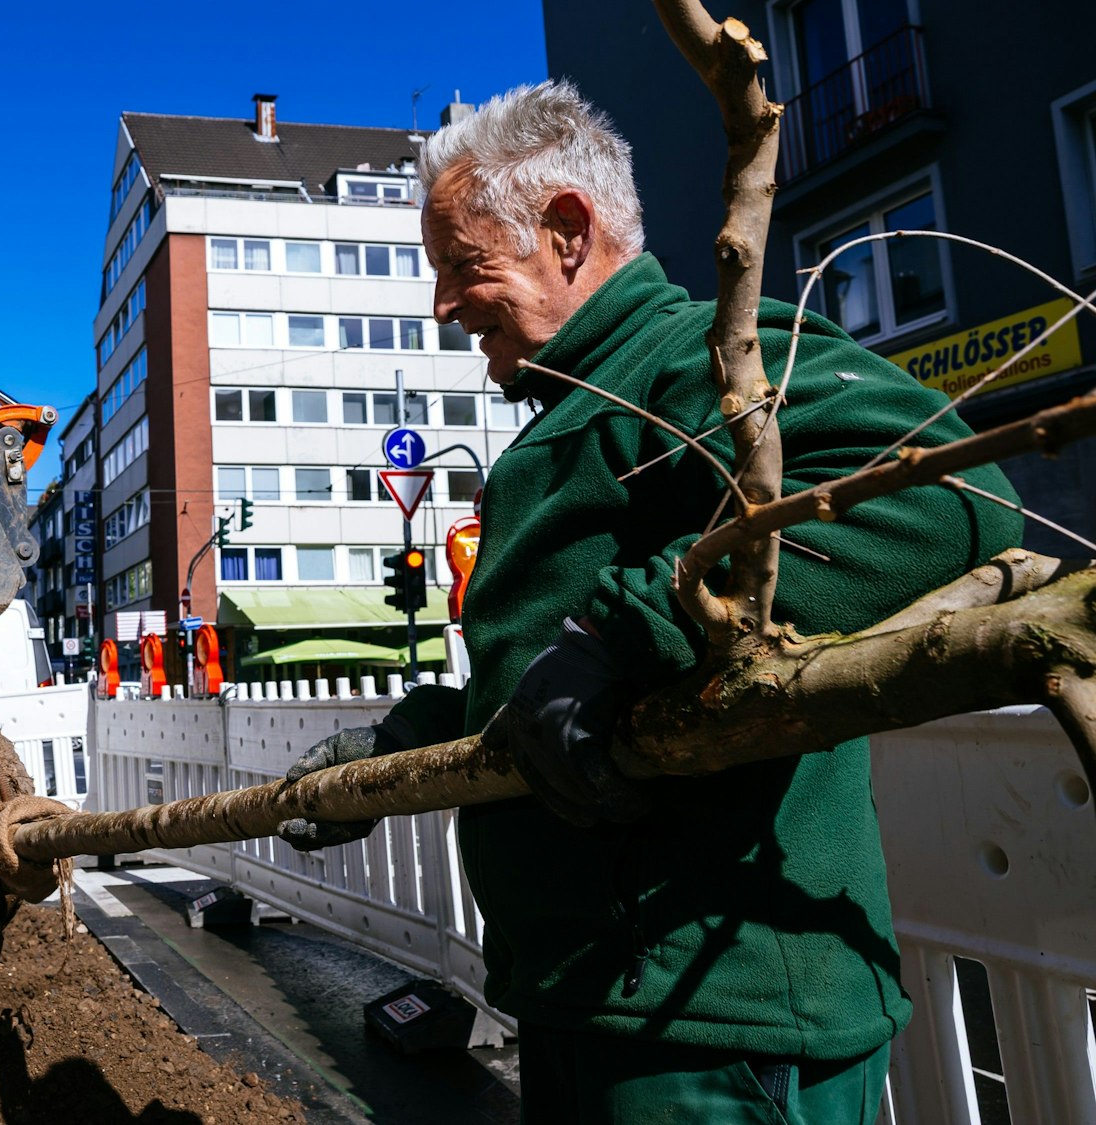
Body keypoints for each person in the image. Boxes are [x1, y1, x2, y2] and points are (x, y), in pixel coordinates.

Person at [275, 81, 1022, 1124]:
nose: (442, 305)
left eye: (462, 264)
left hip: (709, 1019)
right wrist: (402, 750)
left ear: (565, 231)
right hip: (610, 999)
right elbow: (553, 695)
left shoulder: (691, 362)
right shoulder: (581, 406)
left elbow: (949, 493)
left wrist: (622, 633)